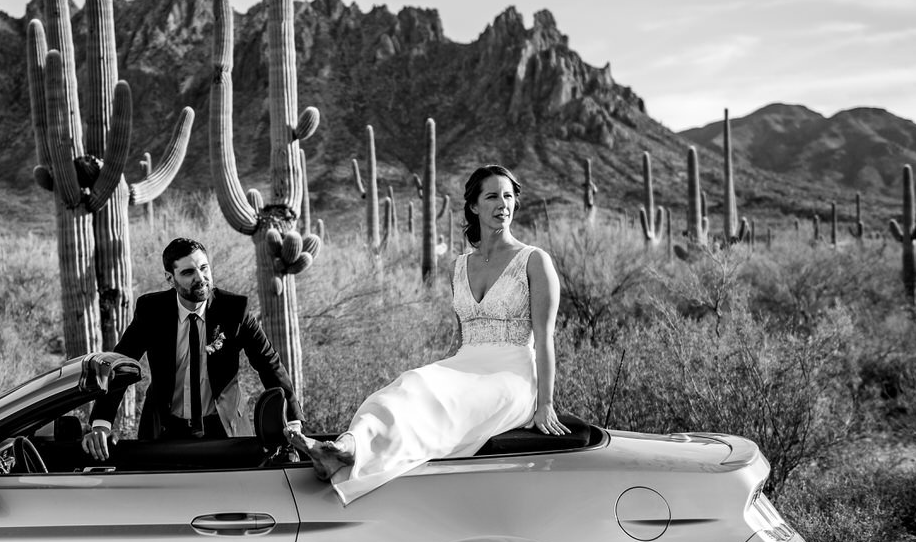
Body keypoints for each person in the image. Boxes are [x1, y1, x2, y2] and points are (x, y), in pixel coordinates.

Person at [290, 164, 568, 504]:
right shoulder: (459, 266)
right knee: (408, 386)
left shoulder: (535, 261)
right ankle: (346, 447)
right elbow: (463, 336)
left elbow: (544, 338)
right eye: (492, 196)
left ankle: (353, 455)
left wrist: (546, 404)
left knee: (444, 403)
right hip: (467, 365)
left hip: (513, 375)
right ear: (475, 206)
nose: (502, 204)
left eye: (508, 196)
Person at [83, 237, 302, 459]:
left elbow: (268, 363)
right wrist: (101, 423)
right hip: (165, 431)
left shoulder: (234, 310)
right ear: (170, 278)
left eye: (204, 268)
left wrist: (292, 421)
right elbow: (120, 364)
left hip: (225, 429)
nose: (201, 278)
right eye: (188, 273)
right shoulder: (151, 310)